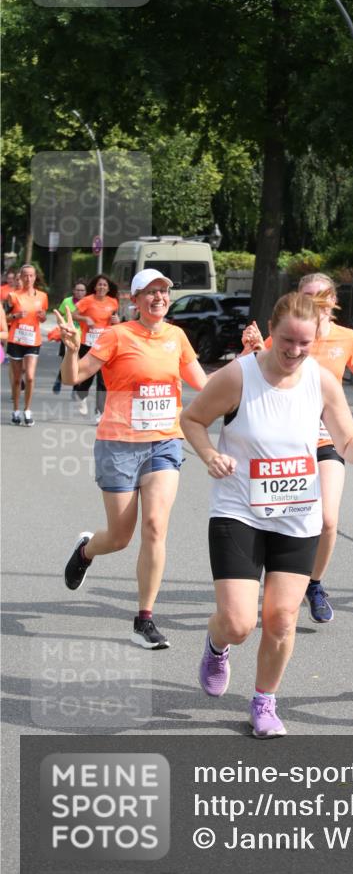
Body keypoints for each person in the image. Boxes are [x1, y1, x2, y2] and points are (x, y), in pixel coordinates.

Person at [180, 291, 353, 738]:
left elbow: (346, 440)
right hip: (239, 510)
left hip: (297, 514)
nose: (295, 351)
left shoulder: (322, 381)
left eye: (304, 343)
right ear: (271, 332)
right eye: (287, 341)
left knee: (280, 618)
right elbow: (192, 420)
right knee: (239, 622)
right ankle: (217, 643)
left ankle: (264, 701)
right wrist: (210, 455)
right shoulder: (238, 376)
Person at [242, 272, 353, 625]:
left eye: (322, 295)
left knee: (328, 519)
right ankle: (275, 576)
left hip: (327, 438)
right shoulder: (290, 332)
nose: (315, 302)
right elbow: (262, 367)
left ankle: (314, 584)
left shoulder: (345, 337)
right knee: (277, 514)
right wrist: (254, 348)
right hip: (286, 441)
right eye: (307, 295)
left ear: (333, 300)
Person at [56, 268, 208, 649]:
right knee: (120, 537)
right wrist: (72, 350)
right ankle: (87, 550)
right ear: (135, 300)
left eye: (164, 291)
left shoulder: (177, 337)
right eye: (151, 292)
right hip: (119, 445)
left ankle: (145, 619)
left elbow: (206, 386)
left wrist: (248, 361)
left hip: (164, 443)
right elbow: (75, 377)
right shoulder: (117, 335)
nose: (159, 298)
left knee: (155, 527)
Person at [5, 264, 49, 427]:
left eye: (31, 275)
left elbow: (43, 318)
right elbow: (4, 318)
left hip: (33, 340)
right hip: (16, 340)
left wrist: (43, 317)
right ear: (21, 277)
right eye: (25, 275)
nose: (28, 278)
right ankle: (16, 410)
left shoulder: (42, 296)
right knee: (17, 379)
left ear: (35, 277)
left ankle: (27, 410)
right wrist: (16, 316)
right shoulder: (13, 296)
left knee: (30, 376)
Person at [72, 274, 120, 422]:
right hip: (88, 343)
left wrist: (117, 321)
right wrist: (84, 318)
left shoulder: (113, 302)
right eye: (99, 284)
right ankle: (81, 395)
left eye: (105, 285)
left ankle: (99, 412)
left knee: (103, 379)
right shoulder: (87, 300)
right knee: (87, 376)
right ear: (95, 286)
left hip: (105, 344)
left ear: (108, 288)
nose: (102, 287)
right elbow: (73, 315)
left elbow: (116, 321)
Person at [51, 280, 88, 394]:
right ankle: (59, 379)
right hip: (68, 336)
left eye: (82, 290)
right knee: (67, 360)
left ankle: (75, 389)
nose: (80, 292)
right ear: (73, 291)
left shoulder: (88, 302)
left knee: (79, 364)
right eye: (77, 290)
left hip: (82, 338)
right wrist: (61, 327)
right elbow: (60, 315)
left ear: (85, 292)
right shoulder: (67, 301)